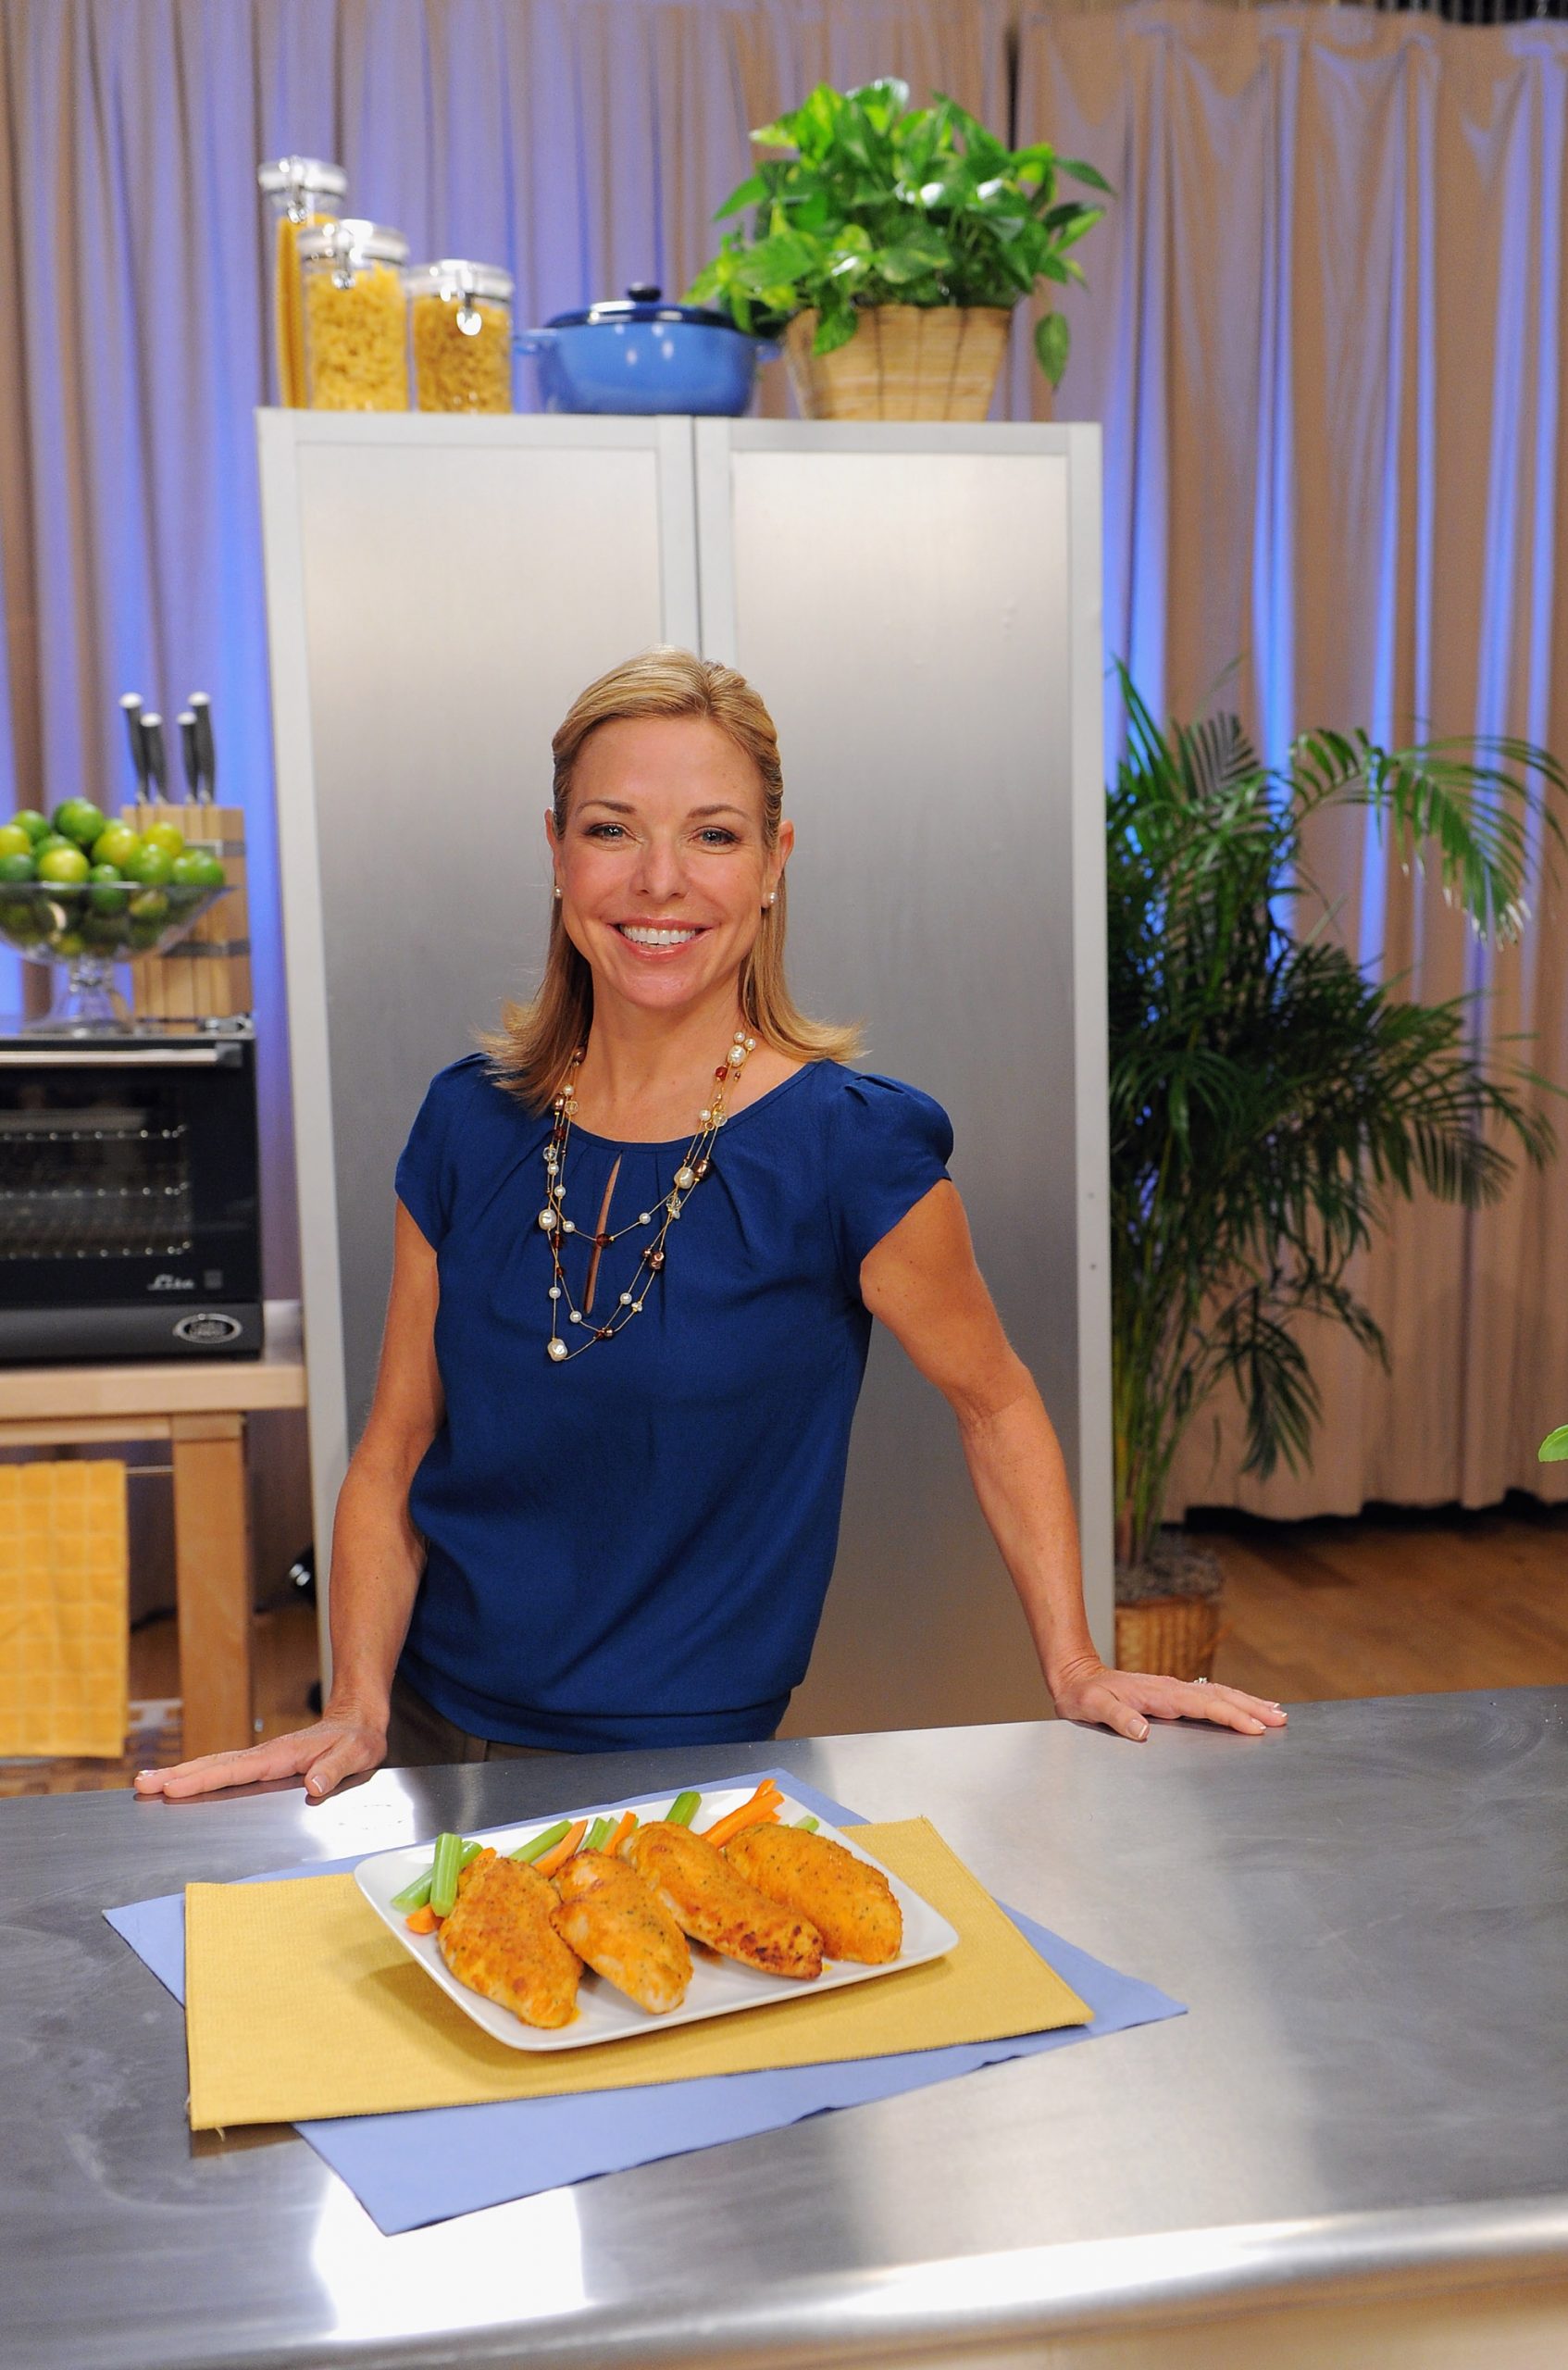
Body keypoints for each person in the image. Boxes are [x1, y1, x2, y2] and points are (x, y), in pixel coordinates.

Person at [138, 649, 1284, 1803]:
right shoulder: (465, 1122)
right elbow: (393, 1451)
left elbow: (995, 1402)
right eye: (611, 829)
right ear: (556, 851)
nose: (658, 881)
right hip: (423, 1744)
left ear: (774, 863)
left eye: (713, 835)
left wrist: (1075, 1662)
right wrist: (354, 1703)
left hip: (685, 1775)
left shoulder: (849, 1148)